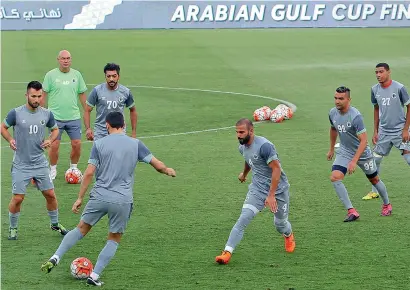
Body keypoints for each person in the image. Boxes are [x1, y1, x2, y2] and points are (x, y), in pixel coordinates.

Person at [41, 111, 176, 286]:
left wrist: (80, 198)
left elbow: (89, 172)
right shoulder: (135, 144)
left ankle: (55, 257)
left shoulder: (100, 144)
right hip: (122, 200)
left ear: (107, 125)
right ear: (124, 125)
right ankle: (94, 276)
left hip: (99, 196)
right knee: (113, 238)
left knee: (80, 229)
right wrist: (167, 170)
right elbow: (156, 164)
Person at [215, 118, 295, 265]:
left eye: (241, 132)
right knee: (244, 217)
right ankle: (226, 252)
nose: (238, 135)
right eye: (236, 132)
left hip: (278, 190)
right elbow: (249, 159)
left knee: (280, 224)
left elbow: (276, 169)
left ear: (251, 131)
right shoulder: (242, 147)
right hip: (257, 189)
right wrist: (244, 174)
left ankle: (288, 234)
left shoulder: (265, 146)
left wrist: (271, 195)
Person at [1, 81, 69, 240]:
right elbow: (2, 127)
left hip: (40, 163)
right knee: (18, 198)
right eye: (33, 96)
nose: (36, 99)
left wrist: (51, 140)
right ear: (27, 95)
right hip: (21, 164)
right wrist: (10, 139)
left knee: (50, 194)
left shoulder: (47, 114)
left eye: (39, 96)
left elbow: (55, 130)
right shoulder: (15, 113)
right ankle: (13, 227)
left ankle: (55, 224)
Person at [327, 86, 392, 221]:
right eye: (335, 98)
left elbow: (363, 141)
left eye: (341, 98)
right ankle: (351, 211)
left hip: (363, 154)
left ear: (349, 99)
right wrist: (332, 148)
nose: (337, 101)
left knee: (374, 179)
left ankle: (387, 205)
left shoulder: (355, 116)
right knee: (335, 177)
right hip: (345, 151)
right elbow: (333, 129)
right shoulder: (332, 113)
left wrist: (354, 161)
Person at [363, 63, 410, 200]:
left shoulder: (399, 88)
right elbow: (376, 109)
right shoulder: (374, 89)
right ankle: (374, 191)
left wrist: (406, 129)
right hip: (384, 131)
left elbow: (409, 107)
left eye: (381, 72)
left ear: (389, 72)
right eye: (376, 72)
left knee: (408, 158)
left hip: (400, 130)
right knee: (375, 160)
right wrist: (375, 131)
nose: (378, 75)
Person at [41, 50, 88, 180]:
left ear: (71, 60)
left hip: (73, 116)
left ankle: (73, 167)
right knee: (54, 145)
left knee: (77, 143)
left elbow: (82, 95)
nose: (66, 61)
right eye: (63, 58)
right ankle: (53, 169)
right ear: (58, 59)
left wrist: (87, 111)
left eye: (68, 58)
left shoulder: (77, 75)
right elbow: (43, 96)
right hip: (55, 117)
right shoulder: (50, 75)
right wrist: (43, 114)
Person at [84, 63, 137, 141]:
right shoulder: (97, 91)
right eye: (108, 76)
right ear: (105, 76)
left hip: (119, 132)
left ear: (118, 76)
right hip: (101, 133)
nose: (111, 79)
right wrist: (88, 129)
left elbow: (133, 110)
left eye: (114, 76)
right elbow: (87, 110)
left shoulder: (126, 92)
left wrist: (133, 132)